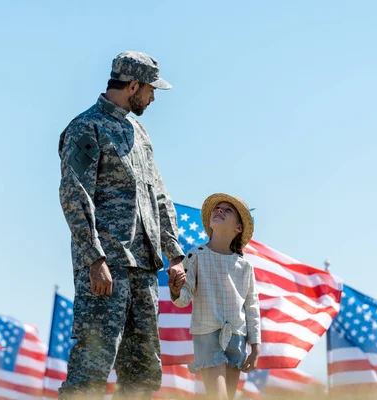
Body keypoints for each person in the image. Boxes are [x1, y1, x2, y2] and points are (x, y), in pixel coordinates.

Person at [57, 50, 186, 399]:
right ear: (133, 86)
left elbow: (158, 195)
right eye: (150, 89)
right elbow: (75, 195)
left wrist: (175, 256)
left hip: (144, 269)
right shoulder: (87, 127)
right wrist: (94, 260)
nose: (153, 97)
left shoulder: (139, 132)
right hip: (107, 268)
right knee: (91, 369)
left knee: (144, 372)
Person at [170, 193, 261, 400]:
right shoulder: (195, 255)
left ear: (238, 228)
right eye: (216, 208)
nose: (219, 210)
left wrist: (255, 347)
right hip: (207, 334)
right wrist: (175, 289)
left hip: (237, 337)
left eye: (227, 210)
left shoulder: (245, 266)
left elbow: (252, 308)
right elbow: (183, 298)